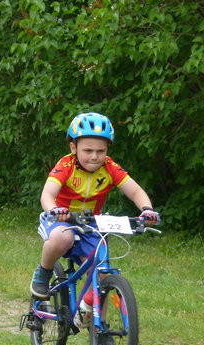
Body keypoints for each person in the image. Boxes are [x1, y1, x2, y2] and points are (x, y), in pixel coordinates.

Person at [30, 112, 161, 330]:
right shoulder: (66, 165)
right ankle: (43, 272)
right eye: (88, 150)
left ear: (107, 150)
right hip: (60, 220)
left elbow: (135, 191)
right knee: (62, 238)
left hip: (91, 223)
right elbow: (47, 195)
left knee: (102, 274)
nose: (94, 156)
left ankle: (100, 326)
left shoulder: (110, 167)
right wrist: (55, 209)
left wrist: (147, 210)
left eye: (100, 151)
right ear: (74, 148)